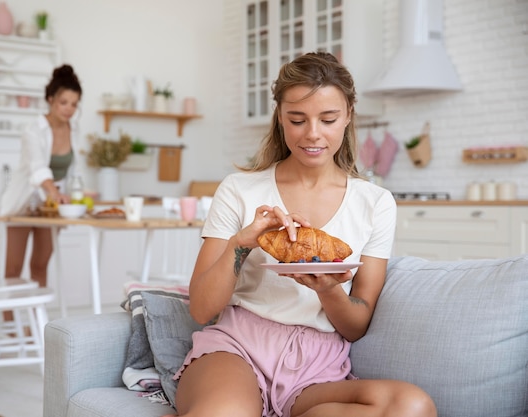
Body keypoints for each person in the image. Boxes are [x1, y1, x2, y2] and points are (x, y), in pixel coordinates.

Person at [164, 51, 437, 417]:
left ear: (349, 116)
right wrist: (242, 244)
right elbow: (201, 308)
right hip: (238, 349)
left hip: (317, 369)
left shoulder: (376, 203)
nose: (312, 134)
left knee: (412, 406)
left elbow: (356, 325)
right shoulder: (239, 189)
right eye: (297, 119)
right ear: (280, 117)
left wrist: (327, 288)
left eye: (328, 119)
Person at [0, 64, 82, 289]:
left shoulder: (74, 131)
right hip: (23, 204)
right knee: (13, 269)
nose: (69, 109)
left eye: (74, 104)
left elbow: (73, 170)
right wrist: (54, 192)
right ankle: (11, 324)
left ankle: (36, 324)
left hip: (50, 207)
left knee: (40, 264)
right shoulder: (33, 130)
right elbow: (38, 168)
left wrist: (77, 193)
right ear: (50, 99)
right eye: (64, 102)